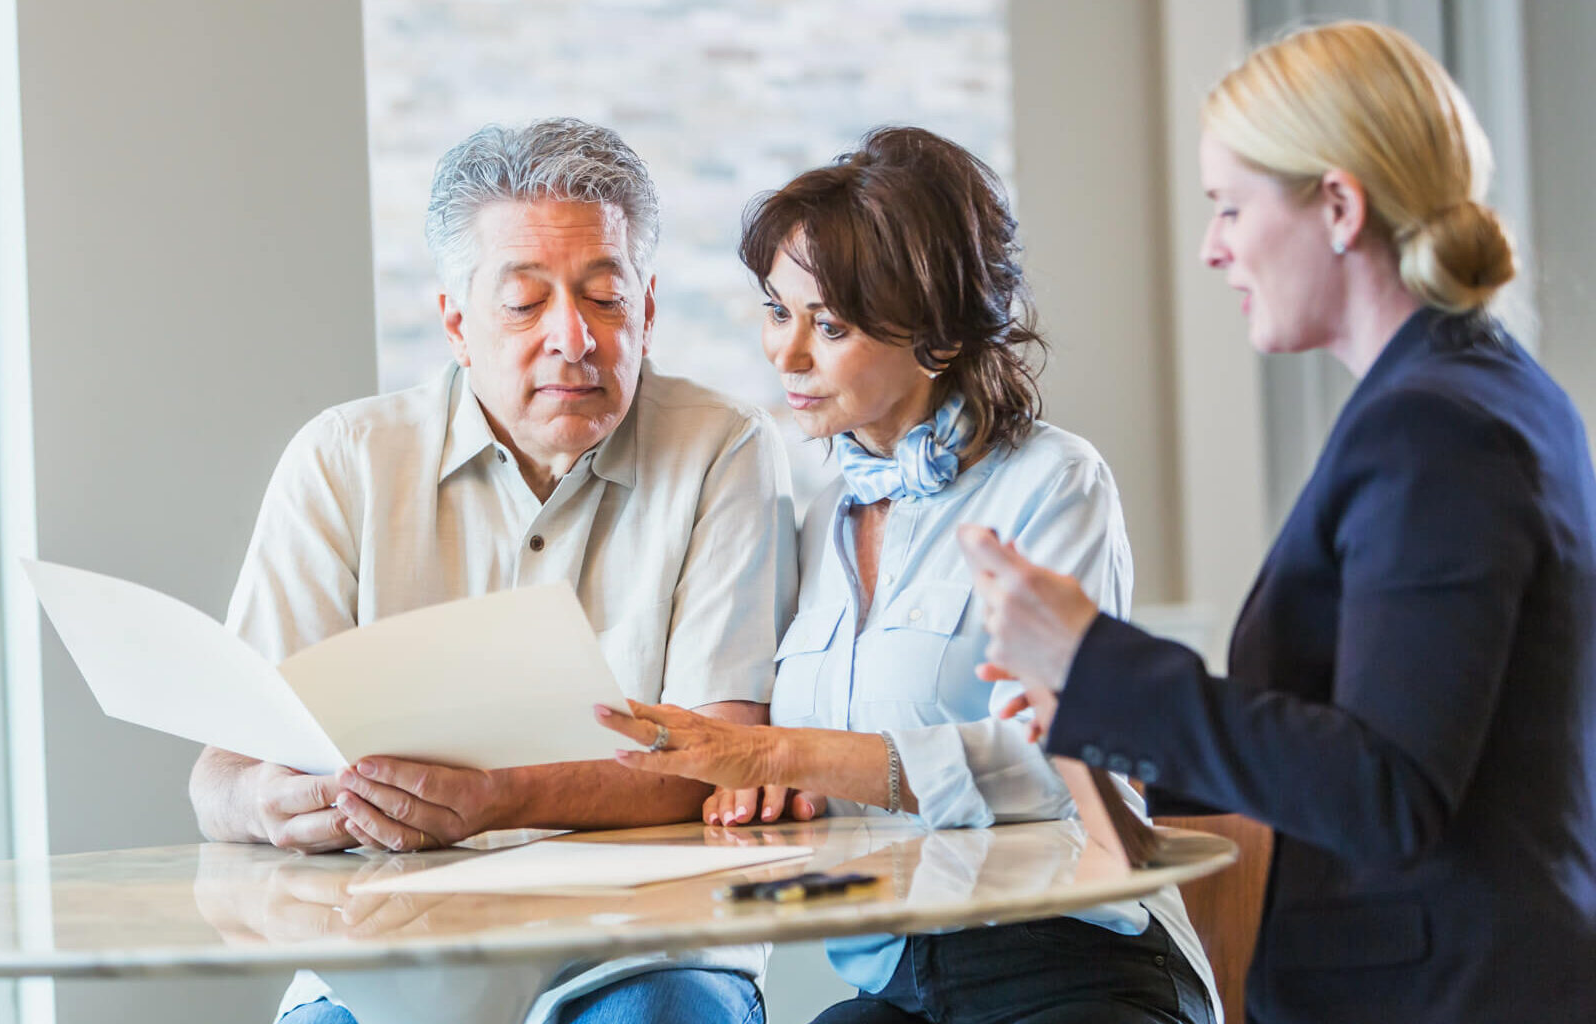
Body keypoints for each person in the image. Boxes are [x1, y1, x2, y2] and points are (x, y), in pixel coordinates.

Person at [955, 21, 1596, 1024]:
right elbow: (1341, 748)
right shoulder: (1476, 392)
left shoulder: (1435, 427)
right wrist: (1099, 714)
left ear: (1339, 205)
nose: (1212, 249)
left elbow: (1386, 789)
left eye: (1229, 207)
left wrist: (1093, 662)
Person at [597, 126, 1218, 1024]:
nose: (787, 353)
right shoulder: (816, 520)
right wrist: (766, 788)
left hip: (1074, 961)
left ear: (937, 335)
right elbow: (807, 777)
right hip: (899, 983)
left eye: (831, 326)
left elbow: (1057, 763)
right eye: (777, 311)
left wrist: (786, 753)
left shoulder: (1055, 483)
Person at [192, 118, 796, 1024]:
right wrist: (265, 802)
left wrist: (496, 798)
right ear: (456, 324)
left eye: (606, 298)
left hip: (647, 949)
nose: (574, 338)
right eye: (523, 303)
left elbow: (722, 755)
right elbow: (221, 774)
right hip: (388, 959)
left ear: (648, 312)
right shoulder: (343, 459)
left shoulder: (725, 449)